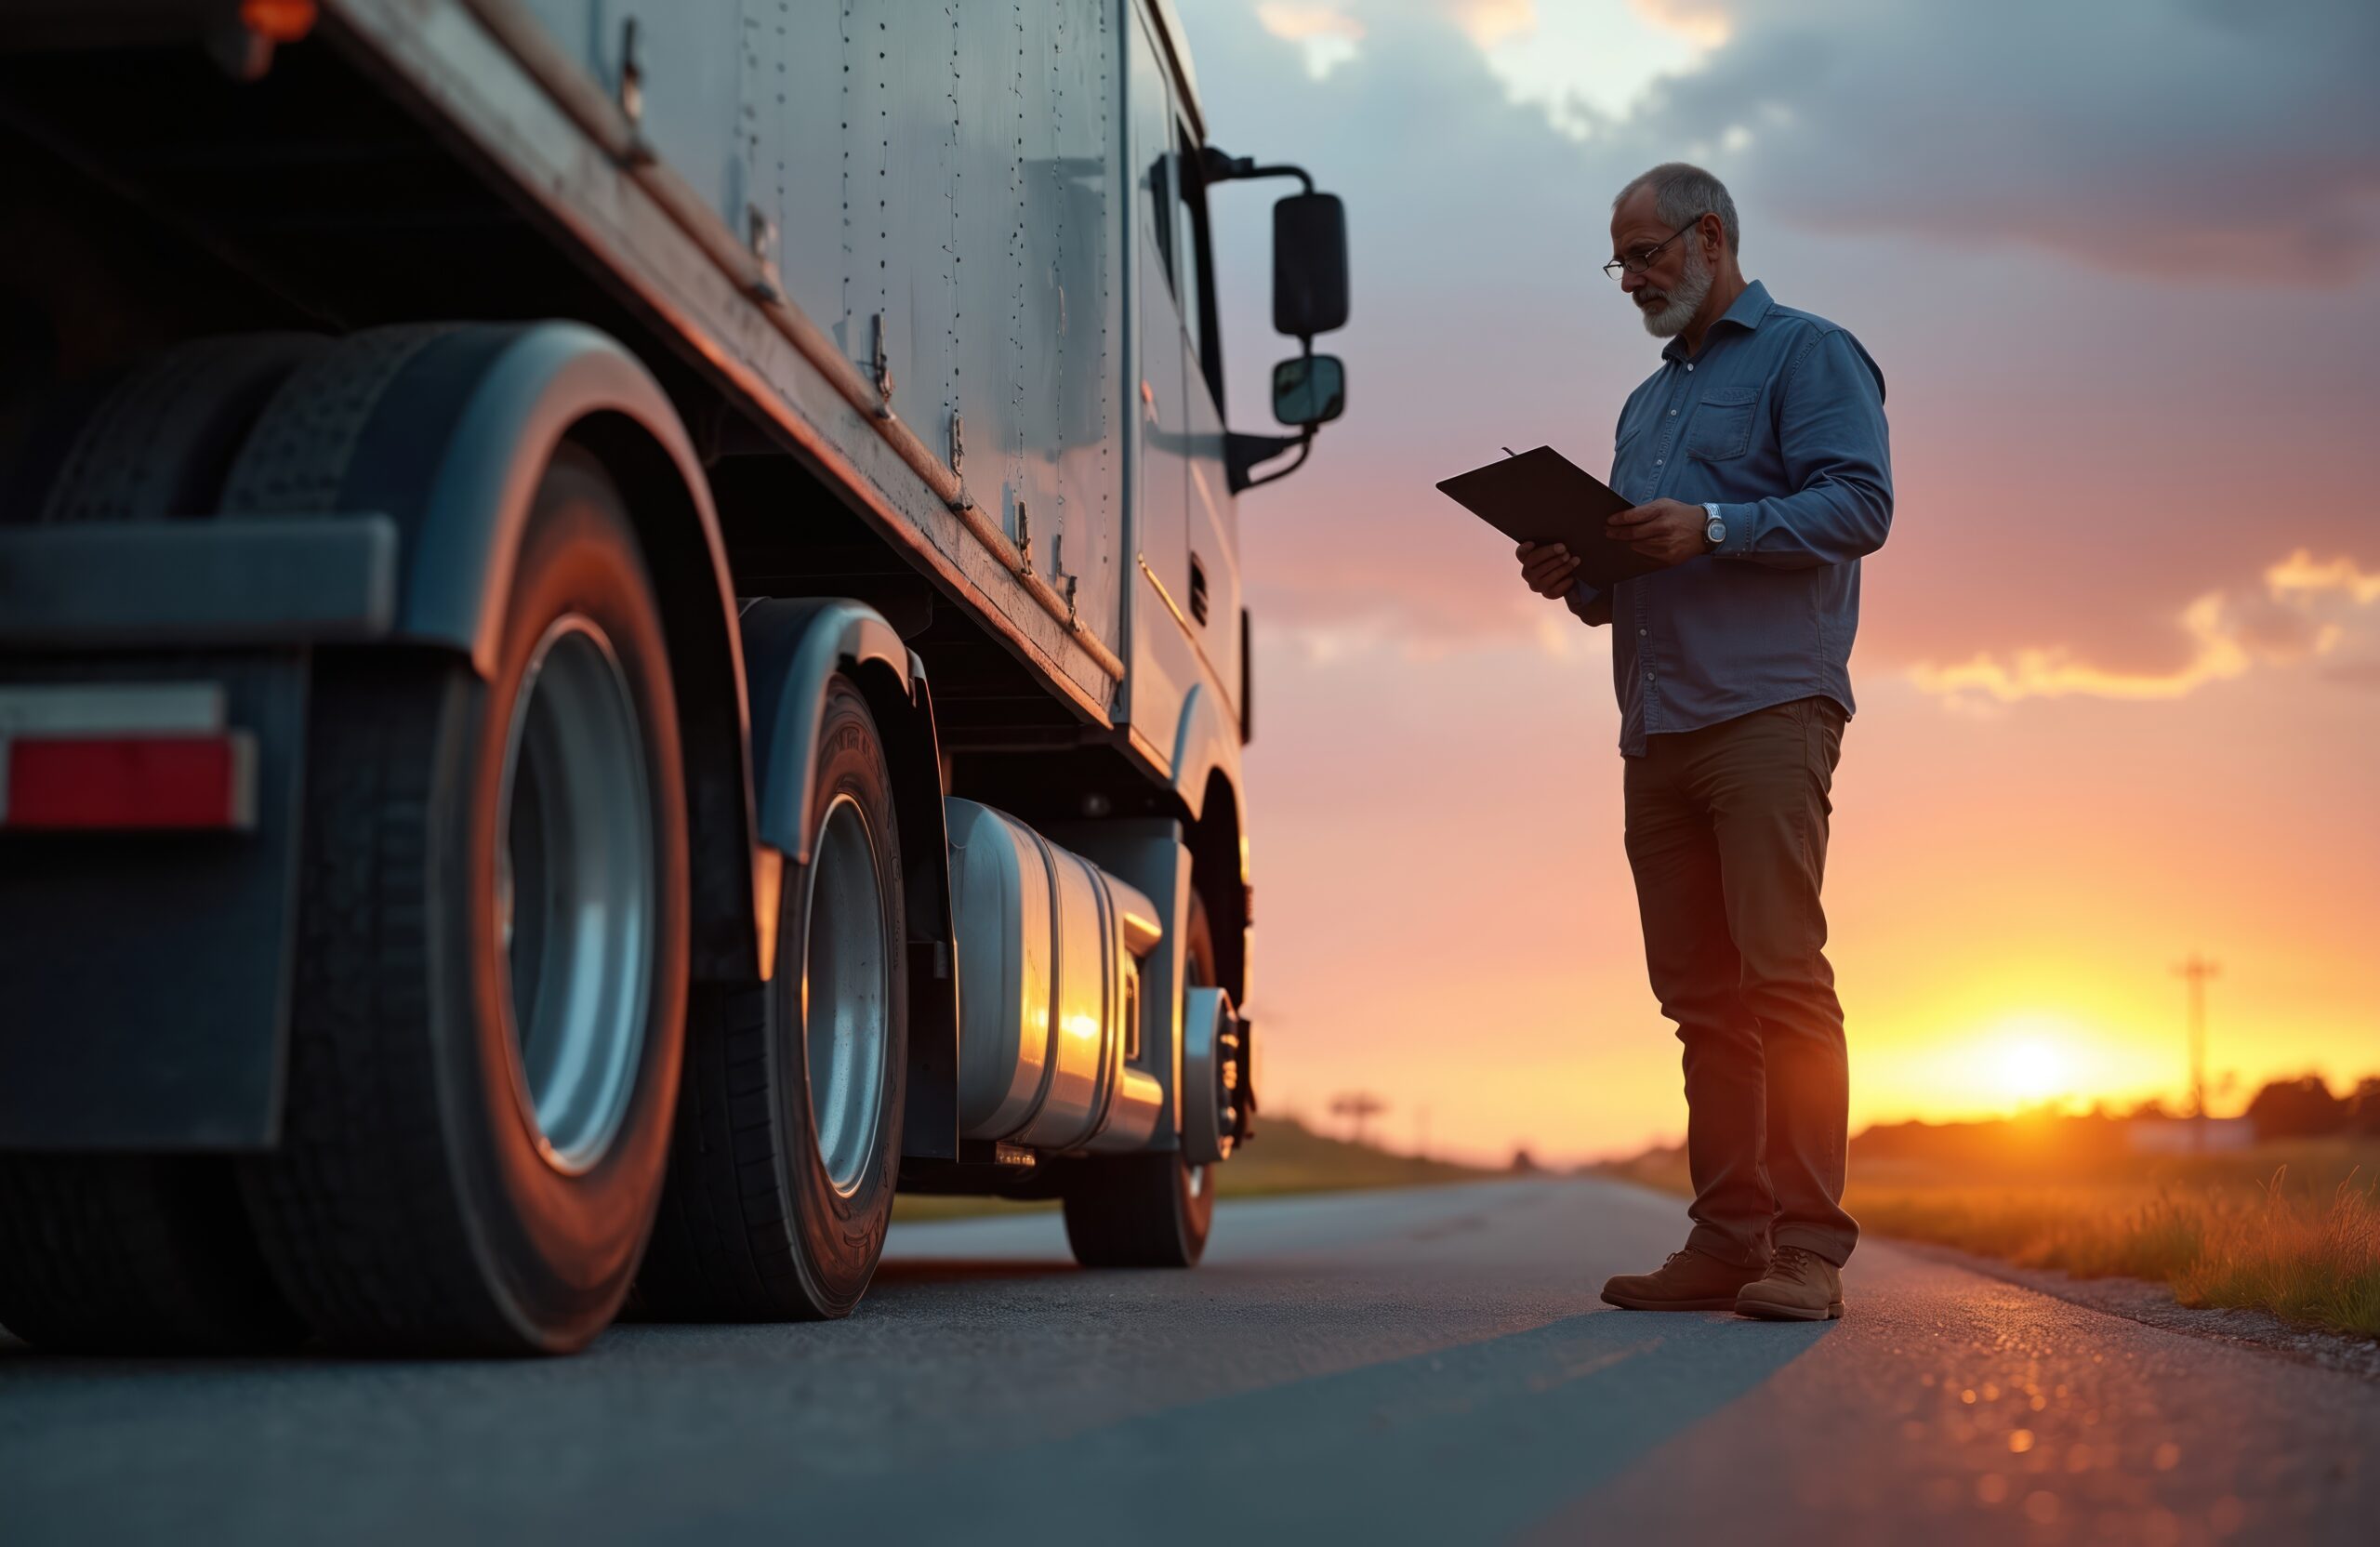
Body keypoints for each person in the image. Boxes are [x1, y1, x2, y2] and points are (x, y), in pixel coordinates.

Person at [1519, 164, 1892, 1321]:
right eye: (1618, 263)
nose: (1629, 279)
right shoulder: (1644, 407)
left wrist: (1718, 522)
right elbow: (1643, 559)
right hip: (1657, 726)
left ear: (1709, 236)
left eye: (1644, 255)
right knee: (1701, 1000)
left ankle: (1809, 1252)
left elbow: (1860, 505)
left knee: (1782, 977)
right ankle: (1727, 1240)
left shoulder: (1809, 353)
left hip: (1769, 712)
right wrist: (1574, 574)